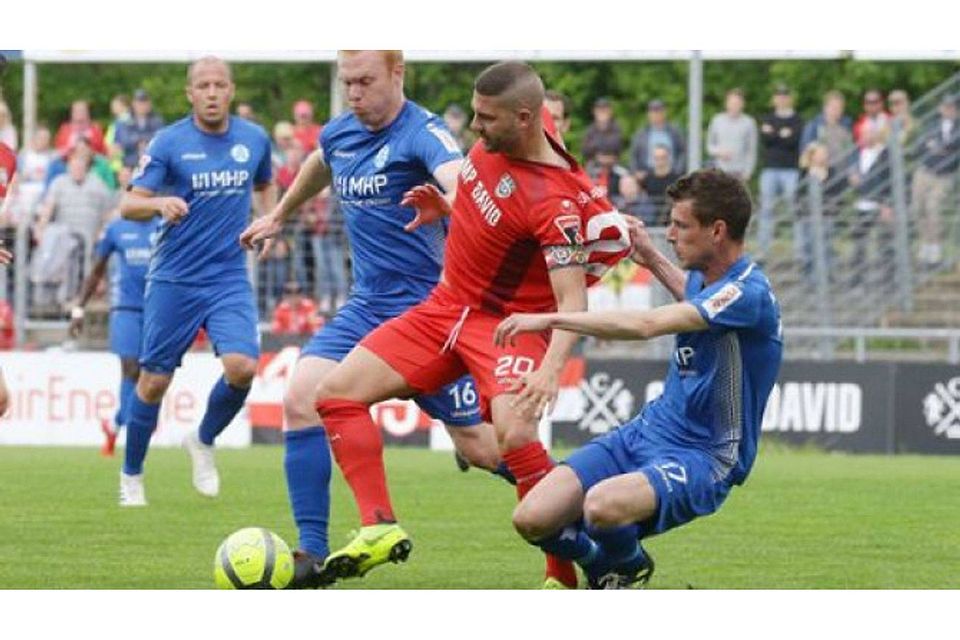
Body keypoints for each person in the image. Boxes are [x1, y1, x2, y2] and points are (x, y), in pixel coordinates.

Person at [266, 60, 630, 588]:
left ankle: (570, 570)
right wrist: (448, 205)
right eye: (475, 114)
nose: (475, 128)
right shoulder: (511, 130)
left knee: (507, 440)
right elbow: (477, 182)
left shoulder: (555, 201)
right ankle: (378, 527)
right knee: (334, 394)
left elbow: (572, 300)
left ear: (524, 119)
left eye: (486, 118)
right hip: (442, 307)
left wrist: (551, 369)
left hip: (501, 324)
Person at [239, 50, 514, 589]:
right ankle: (312, 554)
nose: (354, 93)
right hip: (366, 307)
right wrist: (279, 214)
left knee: (482, 447)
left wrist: (452, 202)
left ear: (397, 73)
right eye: (347, 82)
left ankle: (575, 493)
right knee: (301, 398)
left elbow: (462, 182)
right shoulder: (341, 132)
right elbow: (321, 162)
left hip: (430, 313)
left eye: (365, 81)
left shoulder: (423, 134)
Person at [498, 168, 783, 589]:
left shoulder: (747, 293)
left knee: (601, 507)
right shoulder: (708, 279)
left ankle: (624, 564)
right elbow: (695, 298)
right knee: (533, 518)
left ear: (717, 230)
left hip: (705, 455)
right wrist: (648, 255)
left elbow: (647, 324)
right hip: (648, 430)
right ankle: (609, 564)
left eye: (680, 225)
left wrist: (553, 318)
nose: (671, 234)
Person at [117, 56, 274, 507]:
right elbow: (129, 204)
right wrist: (160, 203)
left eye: (219, 85)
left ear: (231, 90)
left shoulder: (254, 138)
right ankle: (132, 476)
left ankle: (203, 439)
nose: (211, 93)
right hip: (175, 278)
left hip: (227, 275)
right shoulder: (169, 142)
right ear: (190, 93)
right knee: (153, 382)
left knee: (243, 368)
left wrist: (269, 221)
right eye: (203, 85)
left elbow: (265, 185)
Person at [69, 212, 161, 456]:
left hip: (158, 310)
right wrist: (79, 308)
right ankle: (134, 426)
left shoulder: (164, 225)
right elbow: (96, 270)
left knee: (152, 375)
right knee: (130, 368)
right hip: (125, 309)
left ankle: (115, 424)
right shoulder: (116, 229)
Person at [912, 95, 959, 269]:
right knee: (918, 208)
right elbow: (920, 146)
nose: (948, 110)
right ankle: (926, 245)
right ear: (940, 108)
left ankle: (935, 249)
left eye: (952, 107)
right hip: (924, 172)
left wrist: (935, 146)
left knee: (933, 207)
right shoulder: (931, 125)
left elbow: (953, 149)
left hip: (944, 175)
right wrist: (937, 147)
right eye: (945, 106)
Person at [756, 84, 803, 258]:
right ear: (774, 99)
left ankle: (800, 252)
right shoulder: (767, 117)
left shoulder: (797, 120)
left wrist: (774, 134)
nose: (781, 99)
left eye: (784, 96)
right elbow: (766, 140)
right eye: (778, 96)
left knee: (795, 210)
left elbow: (793, 141)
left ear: (789, 99)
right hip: (769, 169)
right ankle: (763, 252)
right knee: (766, 210)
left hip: (791, 170)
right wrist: (781, 134)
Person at [628, 98, 685, 182]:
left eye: (659, 111)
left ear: (664, 113)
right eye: (653, 112)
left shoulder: (675, 131)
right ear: (648, 114)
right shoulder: (641, 133)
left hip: (671, 173)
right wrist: (635, 172)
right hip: (647, 174)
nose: (656, 115)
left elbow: (683, 152)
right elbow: (633, 155)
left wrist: (678, 170)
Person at [706, 88, 757, 182]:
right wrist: (719, 152)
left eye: (737, 103)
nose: (734, 106)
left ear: (742, 104)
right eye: (732, 102)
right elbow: (709, 147)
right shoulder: (717, 120)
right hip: (719, 171)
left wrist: (748, 172)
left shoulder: (749, 123)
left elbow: (751, 150)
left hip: (739, 173)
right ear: (726, 103)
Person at [581, 97, 624, 164]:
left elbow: (616, 146)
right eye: (599, 109)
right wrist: (598, 156)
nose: (602, 112)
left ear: (610, 111)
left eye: (605, 109)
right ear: (594, 112)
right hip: (594, 163)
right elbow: (585, 150)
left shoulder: (616, 128)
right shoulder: (590, 130)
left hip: (612, 164)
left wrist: (595, 146)